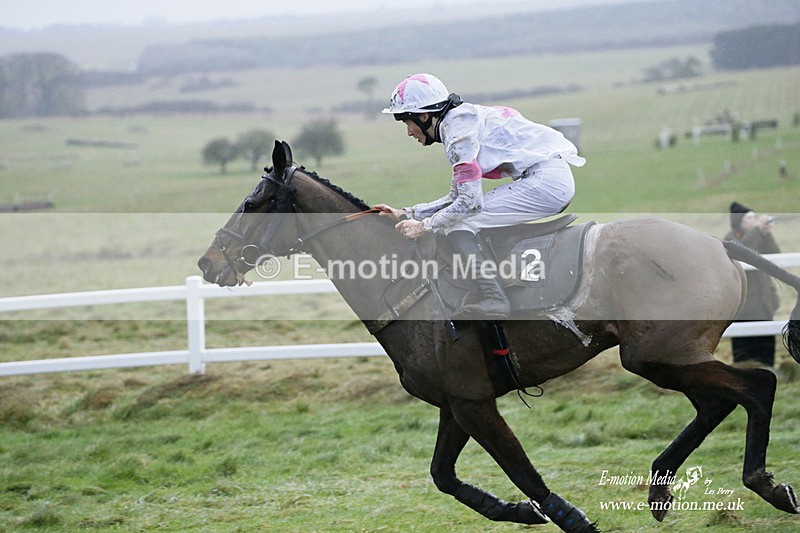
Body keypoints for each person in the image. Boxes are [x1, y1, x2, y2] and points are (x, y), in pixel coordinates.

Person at [373, 73, 585, 319]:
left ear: (424, 116)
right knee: (455, 217)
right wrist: (407, 213)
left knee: (460, 222)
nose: (409, 132)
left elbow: (469, 204)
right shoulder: (459, 123)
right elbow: (457, 197)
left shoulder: (458, 136)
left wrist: (423, 226)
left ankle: (495, 299)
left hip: (546, 182)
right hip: (546, 177)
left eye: (405, 122)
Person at [726, 201, 781, 367]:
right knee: (745, 353)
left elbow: (776, 255)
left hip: (764, 304)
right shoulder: (730, 238)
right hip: (745, 308)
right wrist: (757, 230)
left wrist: (766, 233)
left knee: (766, 351)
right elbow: (742, 252)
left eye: (754, 217)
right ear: (739, 223)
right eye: (749, 218)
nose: (754, 221)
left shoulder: (757, 236)